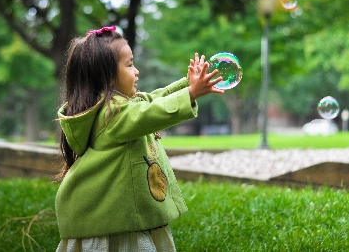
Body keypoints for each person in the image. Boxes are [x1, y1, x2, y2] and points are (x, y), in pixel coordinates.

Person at [54, 25, 224, 252]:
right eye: (130, 64)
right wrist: (190, 94)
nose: (137, 72)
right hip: (114, 223)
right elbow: (151, 112)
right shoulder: (112, 115)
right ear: (107, 76)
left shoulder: (118, 106)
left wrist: (187, 84)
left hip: (121, 216)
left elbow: (153, 99)